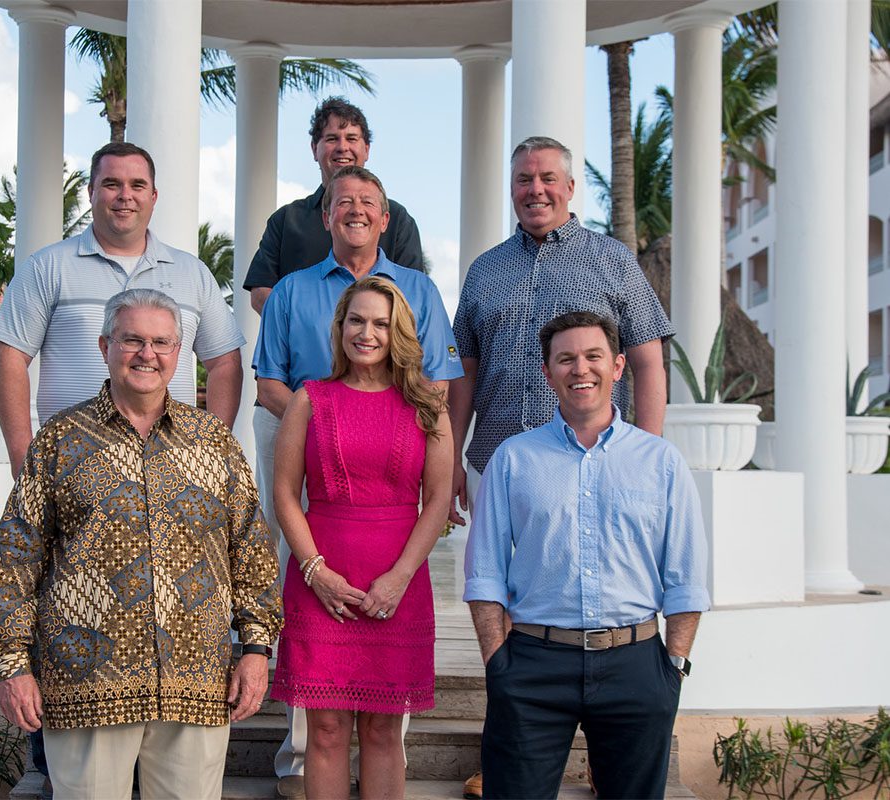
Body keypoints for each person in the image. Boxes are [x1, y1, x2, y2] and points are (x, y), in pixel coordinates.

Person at [0, 289, 282, 800]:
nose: (148, 353)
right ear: (104, 347)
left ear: (180, 352)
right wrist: (12, 666)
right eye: (132, 339)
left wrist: (255, 650)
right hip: (85, 687)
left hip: (197, 678)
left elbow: (252, 555)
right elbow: (13, 559)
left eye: (162, 342)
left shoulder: (215, 443)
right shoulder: (58, 441)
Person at [449, 135, 674, 798]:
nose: (535, 189)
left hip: (597, 464)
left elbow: (649, 356)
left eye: (548, 177)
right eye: (523, 179)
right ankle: (515, 760)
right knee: (508, 608)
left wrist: (646, 456)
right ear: (512, 187)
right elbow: (464, 367)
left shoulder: (612, 260)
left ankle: (613, 763)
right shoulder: (485, 271)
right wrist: (454, 455)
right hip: (501, 461)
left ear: (571, 188)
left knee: (589, 600)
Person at [253, 165, 461, 799]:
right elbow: (287, 494)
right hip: (324, 577)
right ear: (339, 329)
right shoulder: (311, 401)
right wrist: (316, 571)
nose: (366, 332)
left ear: (398, 329)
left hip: (397, 578)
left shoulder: (428, 406)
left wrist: (399, 576)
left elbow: (437, 502)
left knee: (381, 732)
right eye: (354, 322)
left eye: (379, 323)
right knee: (325, 730)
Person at [463, 311, 709, 800]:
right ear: (547, 371)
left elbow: (687, 577)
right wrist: (498, 661)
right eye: (566, 359)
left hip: (636, 665)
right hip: (533, 664)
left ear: (617, 367)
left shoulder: (661, 463)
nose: (581, 369)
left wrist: (674, 665)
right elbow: (484, 573)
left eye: (594, 357)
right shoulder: (512, 459)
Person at [0, 141, 244, 476]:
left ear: (153, 197)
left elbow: (225, 362)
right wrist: (23, 459)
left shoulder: (192, 273)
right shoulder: (47, 267)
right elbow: (8, 356)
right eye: (112, 184)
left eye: (138, 185)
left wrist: (209, 448)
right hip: (72, 467)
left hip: (171, 468)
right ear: (91, 191)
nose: (126, 195)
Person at [242, 96, 424, 316]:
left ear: (366, 149)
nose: (342, 147)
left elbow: (412, 293)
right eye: (331, 139)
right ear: (314, 149)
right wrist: (307, 327)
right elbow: (261, 291)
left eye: (351, 138)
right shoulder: (286, 220)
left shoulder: (397, 218)